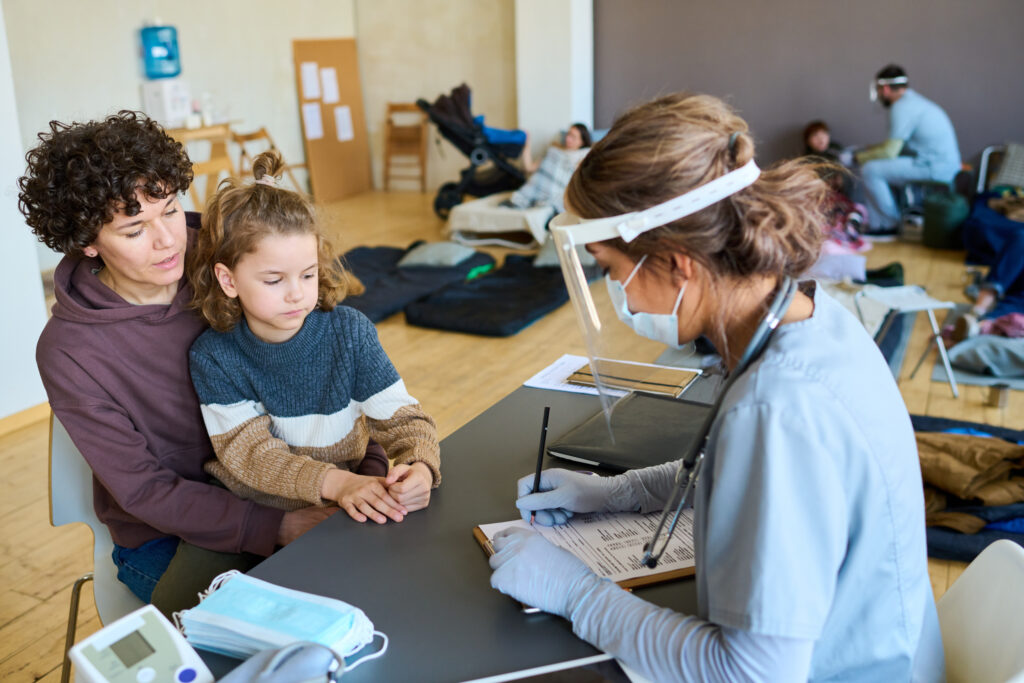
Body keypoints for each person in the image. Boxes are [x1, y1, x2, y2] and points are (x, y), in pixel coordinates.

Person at [487, 93, 943, 681]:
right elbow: (740, 475)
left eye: (612, 269)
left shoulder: (777, 409)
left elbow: (751, 673)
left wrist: (578, 595)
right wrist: (613, 494)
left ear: (679, 261)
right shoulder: (808, 319)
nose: (619, 293)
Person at [19, 112, 373, 617]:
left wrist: (370, 469)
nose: (168, 240)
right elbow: (145, 490)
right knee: (282, 627)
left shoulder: (228, 252)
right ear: (87, 241)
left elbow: (327, 367)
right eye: (135, 228)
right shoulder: (71, 350)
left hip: (295, 480)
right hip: (173, 532)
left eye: (169, 209)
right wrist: (276, 528)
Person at [187, 151, 441, 522]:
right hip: (258, 515)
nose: (297, 293)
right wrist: (336, 483)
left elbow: (403, 418)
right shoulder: (213, 356)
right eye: (274, 280)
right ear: (228, 280)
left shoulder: (350, 333)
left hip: (345, 500)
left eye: (308, 275)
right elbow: (254, 456)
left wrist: (420, 466)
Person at [855, 64, 961, 239]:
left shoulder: (901, 107)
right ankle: (882, 222)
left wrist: (857, 157)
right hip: (941, 164)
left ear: (886, 89)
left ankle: (888, 225)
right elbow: (897, 146)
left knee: (870, 169)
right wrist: (870, 149)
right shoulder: (914, 103)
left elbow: (890, 152)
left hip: (934, 168)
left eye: (879, 90)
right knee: (876, 166)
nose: (880, 95)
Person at [503, 123, 592, 212]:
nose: (568, 139)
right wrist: (527, 144)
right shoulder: (554, 152)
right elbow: (529, 168)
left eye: (573, 137)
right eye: (568, 134)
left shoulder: (582, 157)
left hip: (553, 194)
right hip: (534, 188)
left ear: (582, 142)